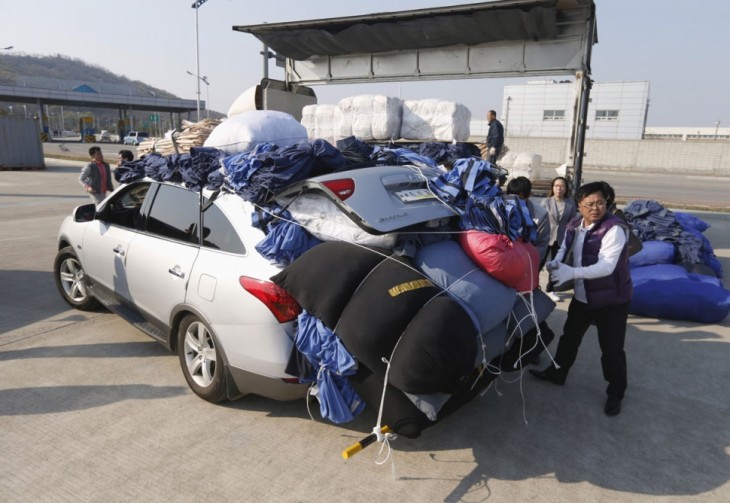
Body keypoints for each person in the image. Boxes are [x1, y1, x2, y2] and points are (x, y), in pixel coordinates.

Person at [530, 181, 633, 417]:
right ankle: (558, 373)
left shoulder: (614, 228)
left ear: (607, 202)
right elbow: (565, 247)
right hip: (584, 296)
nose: (595, 208)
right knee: (570, 337)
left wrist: (573, 273)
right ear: (579, 205)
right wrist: (556, 262)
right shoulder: (576, 224)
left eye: (600, 203)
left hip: (611, 300)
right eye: (589, 204)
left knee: (612, 349)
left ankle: (616, 393)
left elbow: (607, 266)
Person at [540, 176, 578, 301]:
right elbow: (540, 219)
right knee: (539, 263)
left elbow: (573, 221)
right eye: (556, 186)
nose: (559, 188)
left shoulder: (570, 203)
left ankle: (551, 289)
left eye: (562, 186)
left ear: (566, 188)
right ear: (553, 187)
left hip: (561, 238)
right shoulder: (546, 201)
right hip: (546, 236)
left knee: (556, 265)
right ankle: (533, 287)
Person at [505, 176, 551, 266]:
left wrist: (528, 262)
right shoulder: (499, 209)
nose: (516, 202)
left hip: (526, 262)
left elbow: (541, 243)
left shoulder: (540, 214)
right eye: (512, 197)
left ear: (529, 195)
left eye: (520, 198)